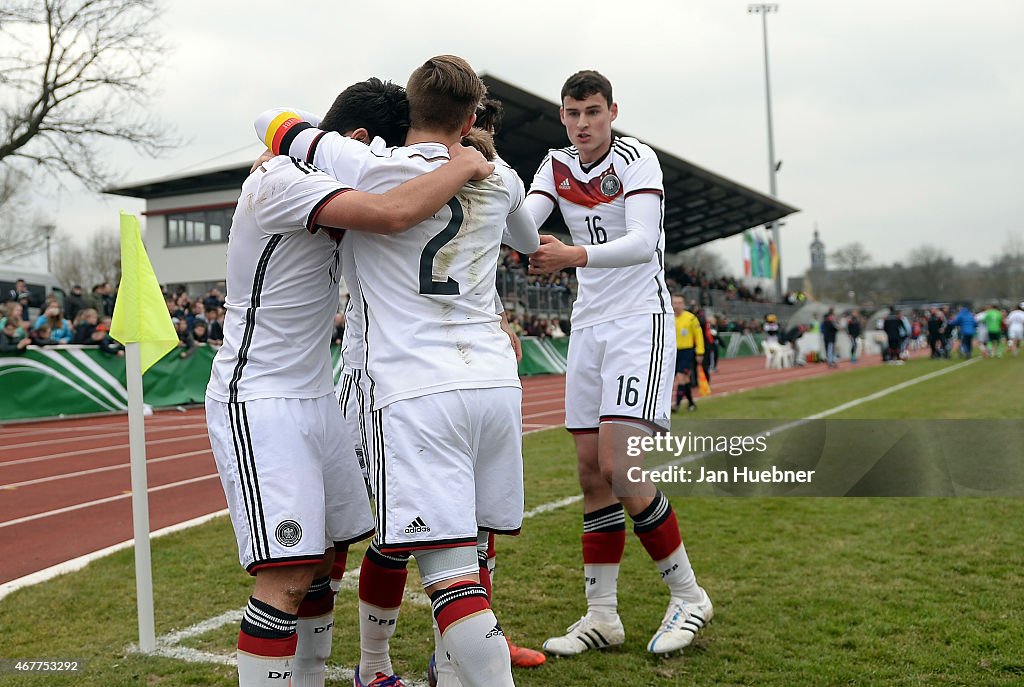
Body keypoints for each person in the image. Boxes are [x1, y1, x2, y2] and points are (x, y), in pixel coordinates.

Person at [257, 57, 537, 687]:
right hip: (491, 381)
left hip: (410, 384)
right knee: (462, 555)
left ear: (410, 112)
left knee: (432, 565)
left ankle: (395, 667)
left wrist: (286, 151)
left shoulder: (377, 169)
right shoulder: (504, 177)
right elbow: (528, 239)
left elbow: (272, 122)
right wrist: (475, 162)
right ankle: (396, 667)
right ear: (470, 118)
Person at [211, 97, 493, 687]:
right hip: (260, 396)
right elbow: (394, 213)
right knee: (286, 572)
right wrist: (464, 163)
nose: (379, 166)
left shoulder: (310, 169)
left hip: (316, 393)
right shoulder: (282, 179)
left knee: (327, 558)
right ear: (358, 137)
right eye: (377, 155)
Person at [524, 69, 711, 658]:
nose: (583, 124)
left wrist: (571, 254)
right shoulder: (553, 166)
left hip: (639, 322)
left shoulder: (637, 160)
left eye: (593, 113)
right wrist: (487, 192)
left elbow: (643, 241)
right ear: (562, 115)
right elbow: (526, 223)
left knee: (620, 466)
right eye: (574, 114)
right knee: (589, 473)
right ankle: (601, 615)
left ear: (611, 113)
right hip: (589, 326)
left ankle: (690, 595)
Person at [671, 294, 702, 412]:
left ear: (684, 304)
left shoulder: (691, 318)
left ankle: (677, 404)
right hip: (672, 352)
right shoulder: (669, 318)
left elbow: (698, 336)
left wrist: (700, 352)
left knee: (680, 377)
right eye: (674, 302)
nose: (676, 305)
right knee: (685, 380)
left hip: (686, 352)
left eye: (679, 303)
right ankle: (691, 403)